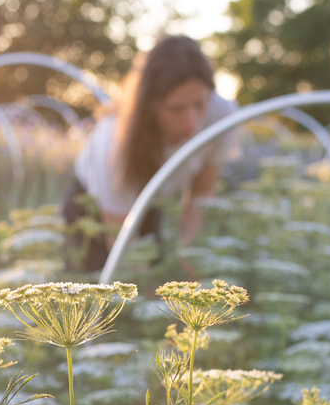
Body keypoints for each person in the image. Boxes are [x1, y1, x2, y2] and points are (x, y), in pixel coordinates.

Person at [62, 35, 242, 272]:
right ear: (150, 105)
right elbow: (123, 245)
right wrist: (146, 294)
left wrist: (187, 260)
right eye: (176, 109)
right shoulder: (113, 139)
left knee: (159, 271)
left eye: (199, 104)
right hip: (93, 213)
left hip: (151, 205)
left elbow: (202, 192)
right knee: (107, 293)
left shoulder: (221, 115)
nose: (191, 123)